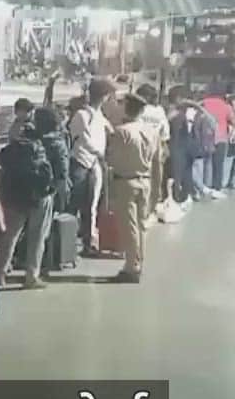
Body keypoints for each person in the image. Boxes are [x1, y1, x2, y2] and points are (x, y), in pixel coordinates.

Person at [0, 122, 54, 289]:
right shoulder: (39, 150)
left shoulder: (9, 151)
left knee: (10, 235)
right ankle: (31, 276)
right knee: (37, 236)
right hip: (38, 197)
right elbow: (47, 174)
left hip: (13, 198)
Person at [107, 93, 157, 282]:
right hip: (145, 180)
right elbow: (158, 160)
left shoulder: (122, 132)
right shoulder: (151, 131)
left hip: (126, 181)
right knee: (141, 226)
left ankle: (131, 267)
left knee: (129, 227)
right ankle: (139, 261)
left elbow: (112, 159)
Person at [68, 78, 114, 255]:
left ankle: (89, 242)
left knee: (92, 204)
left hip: (94, 164)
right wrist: (99, 152)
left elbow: (110, 131)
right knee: (75, 204)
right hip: (80, 163)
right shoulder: (81, 115)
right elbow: (83, 139)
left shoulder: (99, 115)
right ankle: (69, 243)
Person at [135, 85, 171, 214]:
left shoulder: (140, 109)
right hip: (156, 147)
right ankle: (153, 205)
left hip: (140, 146)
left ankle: (141, 206)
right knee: (156, 179)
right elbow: (165, 132)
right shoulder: (160, 110)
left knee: (141, 177)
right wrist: (165, 146)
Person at [33, 107, 71, 218]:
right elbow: (62, 169)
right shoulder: (57, 143)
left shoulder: (32, 139)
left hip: (30, 189)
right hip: (50, 190)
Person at [200, 87, 235, 191]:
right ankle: (217, 188)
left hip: (206, 137)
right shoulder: (226, 106)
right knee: (218, 164)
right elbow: (233, 122)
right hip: (221, 137)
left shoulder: (204, 103)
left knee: (207, 163)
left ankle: (206, 186)